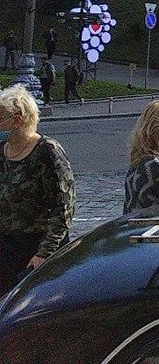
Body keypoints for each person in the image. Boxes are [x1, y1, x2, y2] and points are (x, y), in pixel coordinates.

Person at [0, 85, 75, 297]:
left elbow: (64, 209)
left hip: (36, 247)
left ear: (17, 119)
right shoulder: (2, 150)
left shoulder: (47, 151)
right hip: (5, 248)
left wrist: (45, 253)